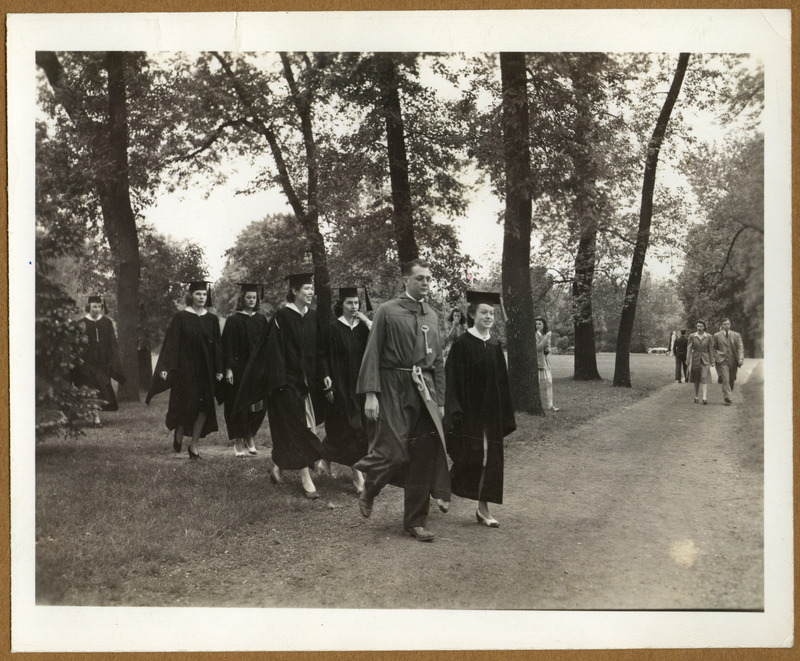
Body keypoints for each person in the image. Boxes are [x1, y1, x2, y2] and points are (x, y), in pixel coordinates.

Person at [355, 258, 451, 543]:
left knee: (423, 454)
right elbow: (372, 352)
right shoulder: (387, 310)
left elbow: (439, 362)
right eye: (420, 278)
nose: (425, 283)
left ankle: (415, 521)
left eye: (428, 279)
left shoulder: (432, 315)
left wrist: (440, 401)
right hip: (393, 386)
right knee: (395, 450)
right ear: (406, 281)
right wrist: (371, 394)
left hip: (425, 389)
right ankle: (370, 488)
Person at [241, 272, 331, 498]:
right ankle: (305, 479)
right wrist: (280, 382)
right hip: (287, 385)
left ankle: (278, 469)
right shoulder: (282, 316)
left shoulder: (311, 317)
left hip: (307, 384)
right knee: (298, 428)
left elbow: (320, 350)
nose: (311, 293)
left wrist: (325, 374)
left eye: (312, 289)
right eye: (306, 289)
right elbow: (274, 353)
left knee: (305, 427)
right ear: (294, 291)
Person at [444, 291, 516, 528]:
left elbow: (503, 383)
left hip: (491, 415)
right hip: (469, 414)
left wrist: (505, 413)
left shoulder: (495, 345)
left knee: (489, 460)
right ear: (472, 314)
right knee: (469, 457)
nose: (489, 316)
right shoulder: (462, 345)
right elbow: (452, 381)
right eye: (484, 312)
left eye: (492, 313)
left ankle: (483, 509)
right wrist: (454, 411)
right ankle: (444, 486)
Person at [146, 281, 224, 459]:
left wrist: (219, 368)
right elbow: (171, 344)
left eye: (204, 294)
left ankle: (194, 446)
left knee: (205, 407)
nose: (201, 297)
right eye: (198, 294)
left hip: (206, 370)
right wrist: (165, 367)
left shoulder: (212, 319)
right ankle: (179, 429)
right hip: (186, 369)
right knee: (188, 405)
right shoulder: (180, 317)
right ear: (191, 296)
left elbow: (217, 346)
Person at [317, 287, 373, 494]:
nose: (354, 307)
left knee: (357, 428)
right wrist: (326, 378)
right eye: (349, 303)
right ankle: (357, 474)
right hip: (339, 384)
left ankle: (324, 460)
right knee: (347, 428)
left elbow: (379, 340)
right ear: (341, 305)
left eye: (356, 303)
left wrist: (366, 320)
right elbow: (321, 355)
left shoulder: (363, 329)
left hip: (359, 385)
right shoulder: (333, 329)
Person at [221, 283, 269, 457]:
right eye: (248, 297)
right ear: (242, 299)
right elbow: (227, 347)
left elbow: (267, 346)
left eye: (254, 298)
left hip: (257, 371)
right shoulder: (234, 321)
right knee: (238, 405)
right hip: (239, 370)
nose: (251, 300)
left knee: (257, 406)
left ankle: (250, 435)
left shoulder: (261, 320)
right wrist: (228, 369)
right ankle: (238, 441)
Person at [71, 295, 125, 426]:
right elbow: (77, 343)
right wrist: (79, 359)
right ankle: (96, 419)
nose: (97, 309)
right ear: (89, 307)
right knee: (91, 388)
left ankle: (94, 415)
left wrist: (113, 361)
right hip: (87, 362)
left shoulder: (106, 323)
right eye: (94, 306)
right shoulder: (82, 323)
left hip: (103, 362)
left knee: (102, 388)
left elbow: (112, 343)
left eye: (99, 306)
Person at [712, 318, 744, 406]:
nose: (726, 326)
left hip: (733, 360)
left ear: (730, 325)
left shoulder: (736, 335)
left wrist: (740, 358)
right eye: (725, 324)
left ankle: (728, 393)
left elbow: (740, 347)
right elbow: (713, 348)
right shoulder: (717, 335)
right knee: (726, 379)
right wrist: (716, 356)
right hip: (722, 361)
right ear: (722, 325)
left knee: (732, 379)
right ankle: (727, 399)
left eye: (728, 324)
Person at [685, 320, 714, 405]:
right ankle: (696, 396)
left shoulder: (709, 337)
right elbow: (689, 348)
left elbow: (711, 350)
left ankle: (704, 397)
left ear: (704, 327)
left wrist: (712, 361)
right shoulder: (692, 336)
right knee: (696, 378)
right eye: (697, 326)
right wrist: (688, 360)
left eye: (701, 326)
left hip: (705, 359)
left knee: (704, 377)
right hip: (695, 358)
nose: (699, 328)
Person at [535, 316, 559, 412]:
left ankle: (550, 405)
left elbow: (547, 349)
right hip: (538, 362)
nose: (538, 326)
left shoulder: (545, 334)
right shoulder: (535, 334)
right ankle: (537, 404)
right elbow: (538, 347)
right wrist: (546, 338)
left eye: (540, 324)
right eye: (536, 324)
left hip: (545, 361)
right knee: (537, 384)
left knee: (549, 383)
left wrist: (547, 349)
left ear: (544, 325)